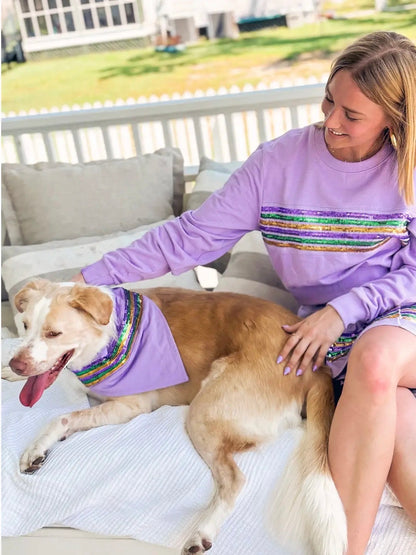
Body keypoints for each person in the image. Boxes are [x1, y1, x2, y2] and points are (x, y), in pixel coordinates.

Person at [73, 31, 416, 554]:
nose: (329, 120)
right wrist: (91, 278)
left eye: (352, 115)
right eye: (329, 99)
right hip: (339, 341)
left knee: (374, 362)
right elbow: (190, 237)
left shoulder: (407, 170)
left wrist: (342, 311)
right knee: (392, 417)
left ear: (393, 119)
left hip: (397, 316)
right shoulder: (278, 163)